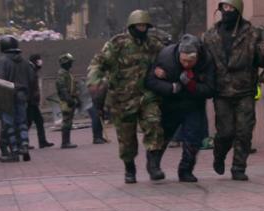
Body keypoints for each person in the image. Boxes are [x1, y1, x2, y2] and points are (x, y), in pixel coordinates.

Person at [87, 10, 165, 184]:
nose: (142, 29)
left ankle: (153, 165)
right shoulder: (117, 44)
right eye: (139, 26)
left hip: (147, 96)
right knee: (126, 138)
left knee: (154, 124)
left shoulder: (154, 44)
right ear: (131, 26)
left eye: (145, 26)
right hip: (122, 99)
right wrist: (94, 81)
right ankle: (129, 168)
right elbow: (98, 62)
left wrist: (164, 71)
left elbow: (167, 59)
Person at [202, 0, 264, 181]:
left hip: (245, 90)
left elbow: (262, 58)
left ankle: (238, 167)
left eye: (231, 8)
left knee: (244, 131)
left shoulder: (253, 34)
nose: (227, 11)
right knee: (225, 132)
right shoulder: (210, 36)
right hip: (221, 91)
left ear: (238, 10)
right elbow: (204, 62)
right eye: (225, 7)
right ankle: (219, 155)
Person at [146, 34, 215, 182]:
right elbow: (151, 81)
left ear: (198, 57)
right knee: (162, 135)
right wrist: (170, 87)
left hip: (194, 104)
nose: (186, 64)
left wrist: (192, 85)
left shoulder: (207, 61)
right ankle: (153, 166)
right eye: (183, 60)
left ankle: (185, 170)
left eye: (191, 61)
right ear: (178, 55)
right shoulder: (165, 57)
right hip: (170, 103)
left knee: (193, 137)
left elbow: (210, 89)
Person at [0, 35, 33, 162]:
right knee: (22, 122)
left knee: (9, 124)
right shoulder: (24, 61)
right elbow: (31, 79)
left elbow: (0, 80)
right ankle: (25, 146)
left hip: (8, 95)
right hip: (22, 95)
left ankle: (15, 152)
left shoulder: (3, 60)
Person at [27, 54, 54, 149]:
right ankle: (24, 142)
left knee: (36, 121)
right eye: (39, 60)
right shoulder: (30, 70)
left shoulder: (32, 69)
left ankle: (41, 141)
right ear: (35, 61)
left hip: (31, 101)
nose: (40, 62)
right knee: (29, 122)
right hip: (30, 101)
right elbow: (30, 85)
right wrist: (31, 99)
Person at [56, 53, 78, 149]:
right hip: (66, 100)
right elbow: (62, 88)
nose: (71, 64)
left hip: (70, 98)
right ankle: (65, 142)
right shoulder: (62, 74)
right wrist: (69, 99)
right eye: (70, 62)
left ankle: (67, 141)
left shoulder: (66, 73)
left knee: (69, 121)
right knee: (67, 121)